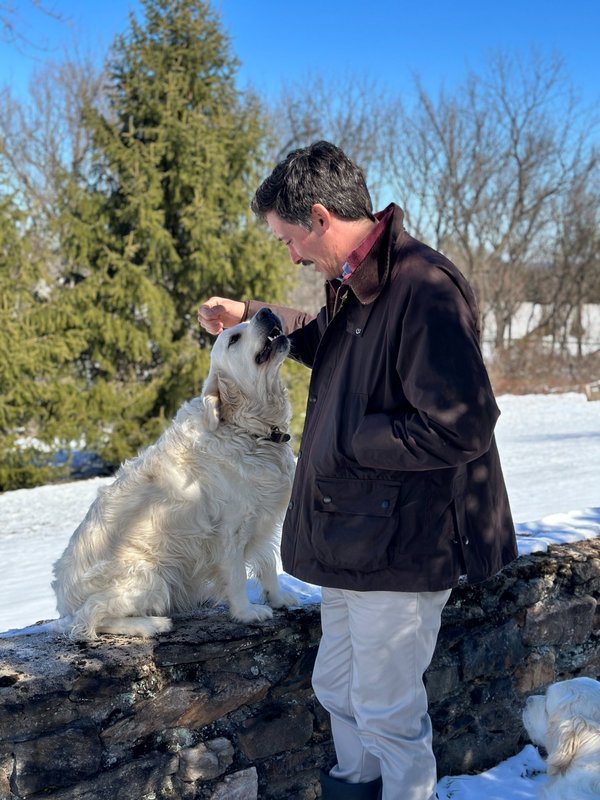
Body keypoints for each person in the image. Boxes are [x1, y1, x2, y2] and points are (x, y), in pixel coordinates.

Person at [198, 141, 517, 800]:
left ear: (318, 216)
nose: (289, 253)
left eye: (288, 238)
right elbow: (334, 348)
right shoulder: (356, 282)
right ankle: (353, 789)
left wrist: (354, 438)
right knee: (335, 689)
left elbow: (463, 425)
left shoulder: (423, 288)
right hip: (354, 540)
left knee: (387, 714)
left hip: (402, 546)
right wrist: (251, 320)